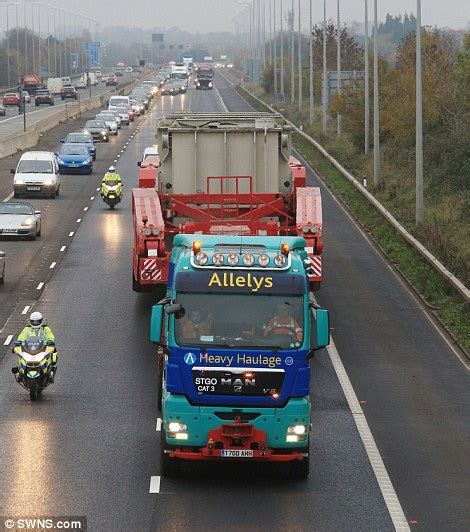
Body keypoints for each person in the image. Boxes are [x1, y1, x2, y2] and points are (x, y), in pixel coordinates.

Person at [14, 312, 58, 381]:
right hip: (29, 347)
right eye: (33, 321)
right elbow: (22, 335)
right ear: (30, 321)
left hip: (43, 347)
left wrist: (50, 340)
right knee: (19, 353)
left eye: (37, 321)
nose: (35, 323)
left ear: (41, 321)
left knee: (53, 350)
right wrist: (19, 341)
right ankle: (20, 372)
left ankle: (51, 371)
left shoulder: (45, 328)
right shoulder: (27, 329)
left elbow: (50, 335)